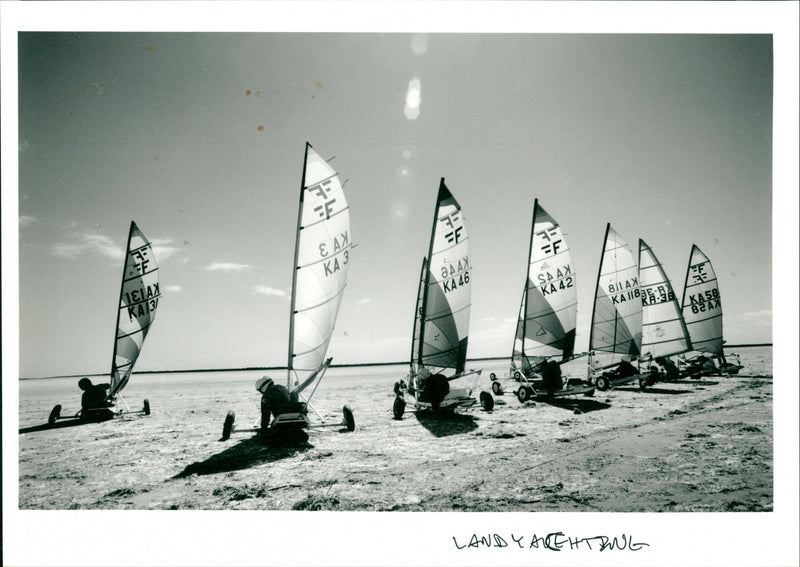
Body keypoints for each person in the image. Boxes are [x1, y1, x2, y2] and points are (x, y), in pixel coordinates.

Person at [255, 376, 307, 442]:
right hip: (296, 417)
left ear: (262, 388)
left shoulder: (266, 395)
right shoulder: (282, 388)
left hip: (281, 420)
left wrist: (263, 429)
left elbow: (265, 414)